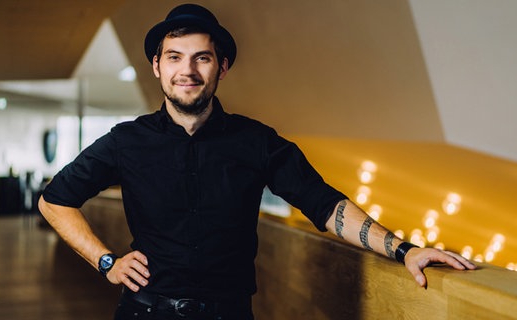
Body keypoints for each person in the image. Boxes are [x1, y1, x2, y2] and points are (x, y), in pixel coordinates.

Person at [38, 3, 476, 320]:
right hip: (145, 313)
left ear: (221, 68)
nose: (186, 69)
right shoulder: (126, 141)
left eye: (201, 58)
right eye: (174, 58)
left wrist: (404, 250)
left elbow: (325, 205)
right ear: (157, 67)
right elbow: (54, 200)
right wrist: (107, 261)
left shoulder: (256, 141)